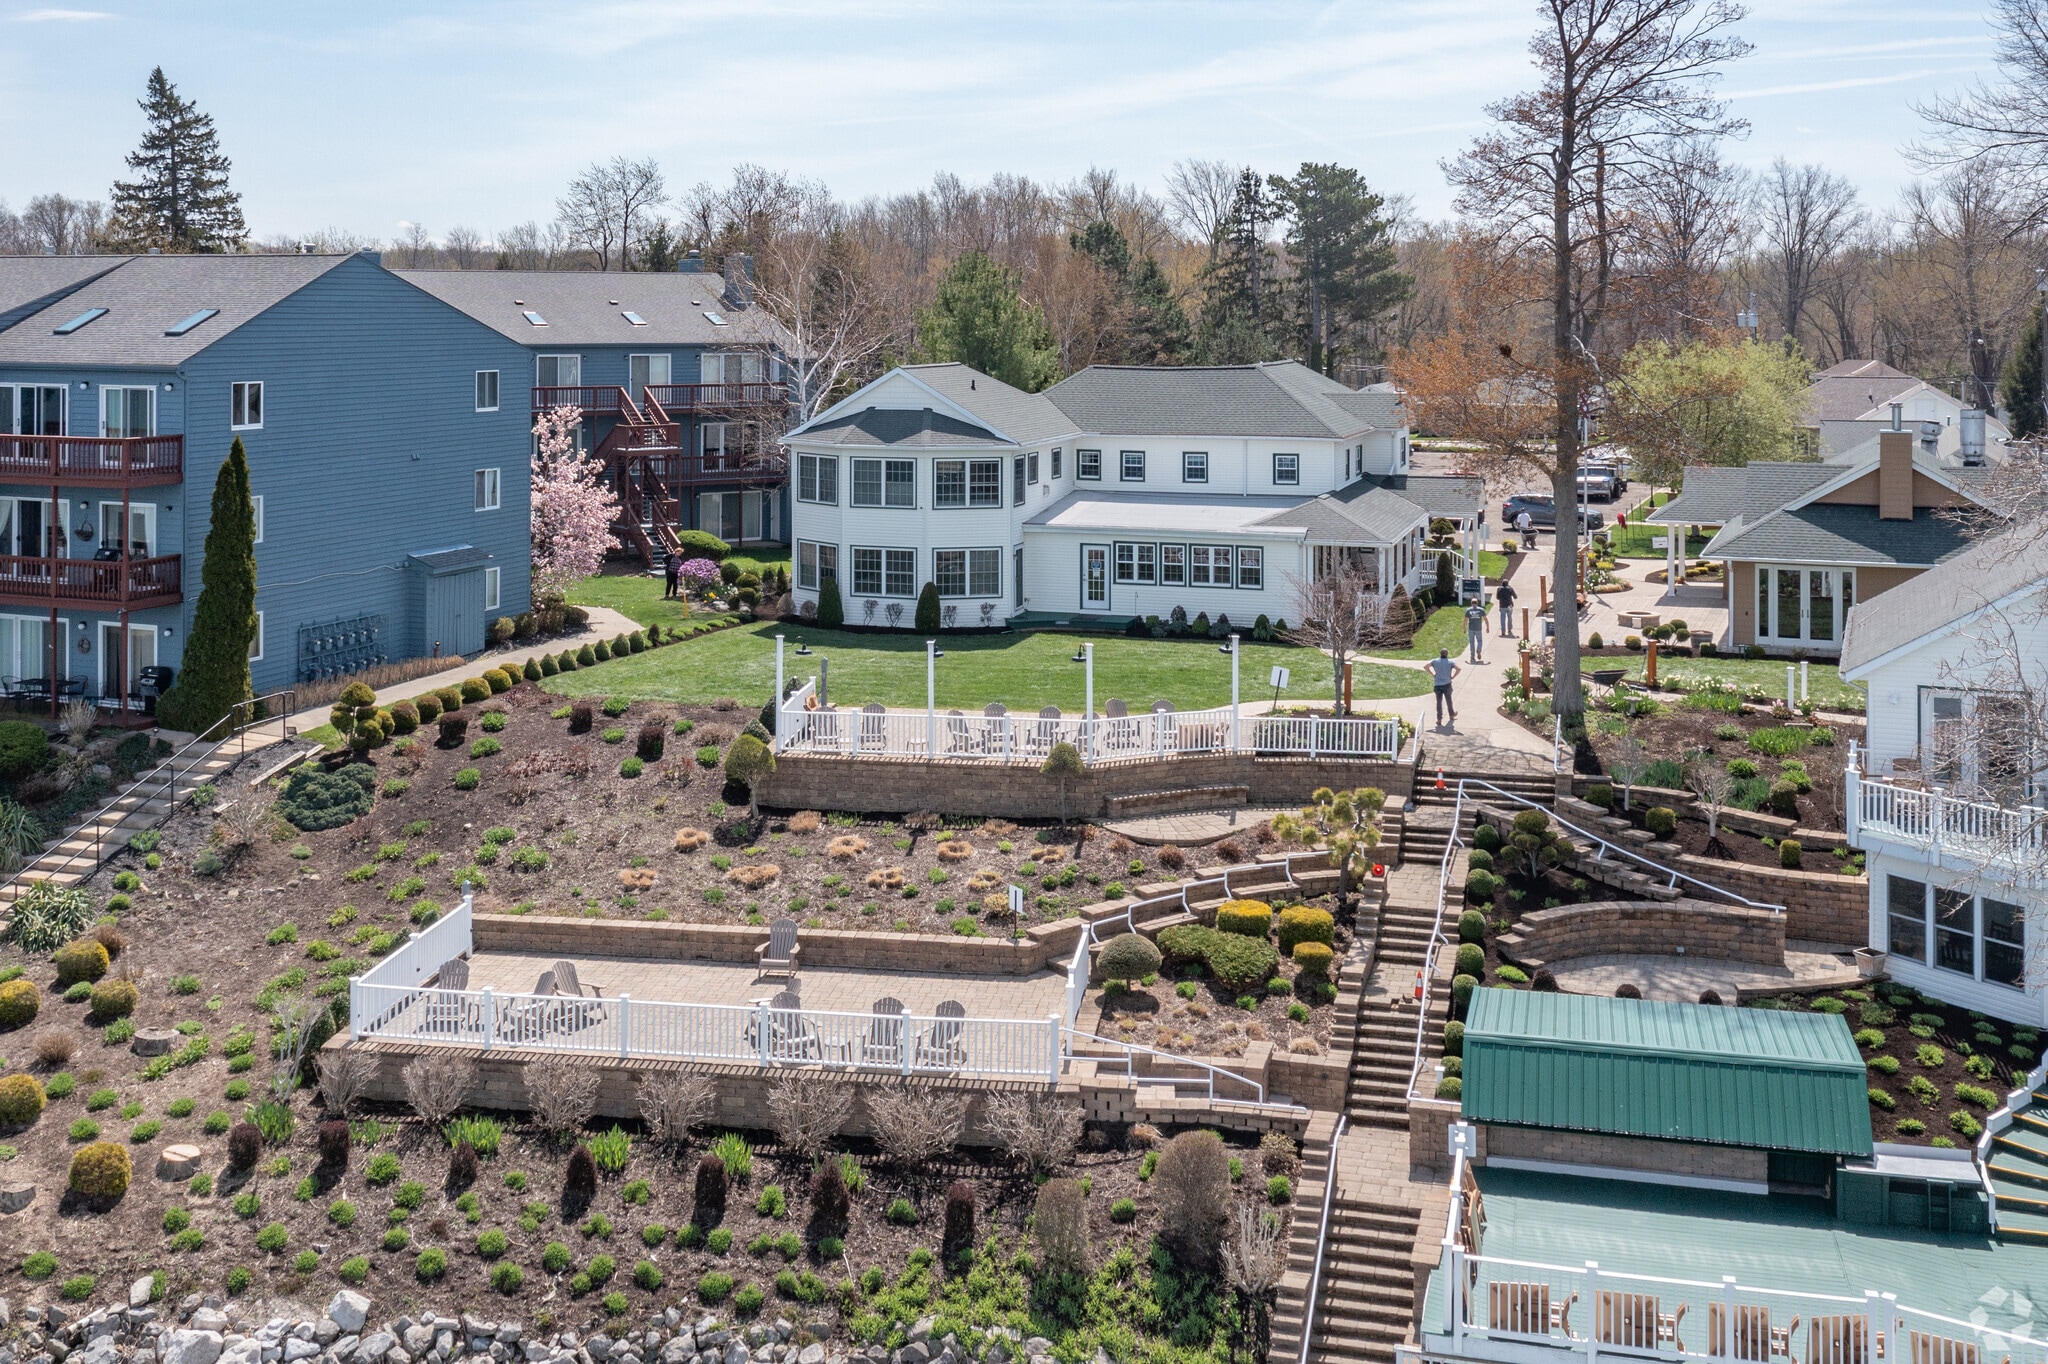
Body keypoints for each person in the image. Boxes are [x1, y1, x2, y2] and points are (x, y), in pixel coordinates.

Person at [1428, 648, 1461, 726]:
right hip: (1447, 684)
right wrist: (1453, 676)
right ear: (1447, 654)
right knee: (1449, 700)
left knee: (1439, 702)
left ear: (1440, 653)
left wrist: (1432, 674)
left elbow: (1426, 666)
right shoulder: (1450, 662)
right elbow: (1458, 669)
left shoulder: (1435, 661)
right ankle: (1451, 714)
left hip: (1437, 685)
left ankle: (1439, 719)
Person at [1464, 597, 1487, 663]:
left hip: (1471, 628)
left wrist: (1464, 628)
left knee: (1472, 643)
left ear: (1471, 603)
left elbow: (1465, 620)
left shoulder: (1468, 610)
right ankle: (1479, 650)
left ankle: (1472, 656)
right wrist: (1487, 627)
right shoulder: (1481, 610)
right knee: (1479, 641)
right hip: (1478, 628)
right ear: (1477, 603)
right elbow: (1485, 619)